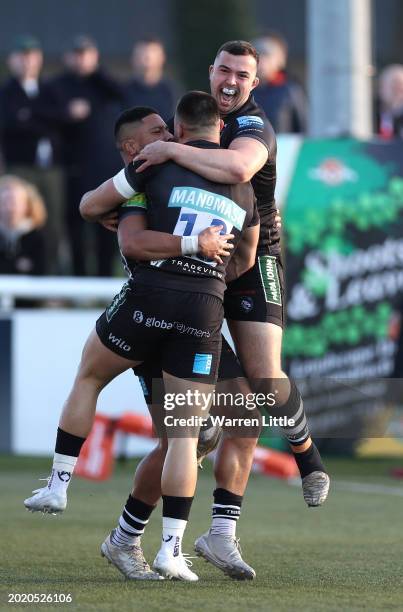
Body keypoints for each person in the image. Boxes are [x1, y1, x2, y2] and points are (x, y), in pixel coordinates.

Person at [24, 93, 259, 582]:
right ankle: (160, 540)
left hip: (161, 306)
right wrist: (203, 250)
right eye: (158, 132)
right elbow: (245, 261)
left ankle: (120, 530)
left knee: (208, 431)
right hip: (193, 309)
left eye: (168, 128)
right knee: (193, 435)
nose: (167, 137)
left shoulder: (155, 171)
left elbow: (95, 210)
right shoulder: (225, 180)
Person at [124, 40, 329, 577]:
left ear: (255, 85)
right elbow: (115, 195)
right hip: (187, 288)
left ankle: (234, 521)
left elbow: (240, 167)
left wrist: (170, 154)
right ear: (210, 73)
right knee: (189, 434)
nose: (232, 81)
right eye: (225, 71)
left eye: (243, 74)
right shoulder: (181, 127)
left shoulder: (253, 126)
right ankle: (128, 536)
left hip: (250, 263)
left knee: (254, 391)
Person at [51, 35, 124, 276]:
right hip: (73, 169)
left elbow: (121, 94)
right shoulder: (59, 85)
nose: (82, 60)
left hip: (104, 169)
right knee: (75, 231)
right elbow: (49, 118)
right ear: (68, 57)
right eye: (78, 55)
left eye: (87, 55)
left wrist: (96, 71)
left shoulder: (102, 84)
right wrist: (67, 113)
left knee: (107, 228)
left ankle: (103, 283)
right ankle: (78, 282)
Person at [0, 35, 66, 273]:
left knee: (53, 225)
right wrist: (42, 120)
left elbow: (62, 119)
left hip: (51, 169)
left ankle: (51, 276)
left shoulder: (50, 89)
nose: (27, 62)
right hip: (21, 167)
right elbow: (11, 123)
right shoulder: (7, 92)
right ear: (12, 61)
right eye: (22, 57)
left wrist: (30, 116)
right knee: (18, 220)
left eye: (32, 56)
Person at [251, 32, 307, 133]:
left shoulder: (291, 90)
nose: (261, 61)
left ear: (280, 60)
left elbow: (304, 127)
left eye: (267, 55)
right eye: (257, 55)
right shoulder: (244, 90)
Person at [0, 174, 47, 275]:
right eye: (5, 202)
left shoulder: (36, 236)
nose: (10, 208)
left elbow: (41, 269)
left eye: (15, 202)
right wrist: (16, 265)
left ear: (27, 205)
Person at [124, 37, 177, 122]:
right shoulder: (122, 93)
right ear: (133, 59)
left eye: (151, 55)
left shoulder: (173, 93)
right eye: (141, 55)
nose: (146, 60)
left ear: (162, 58)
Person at [376, 64, 403, 139]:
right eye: (394, 85)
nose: (398, 90)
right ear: (381, 87)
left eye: (401, 86)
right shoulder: (368, 114)